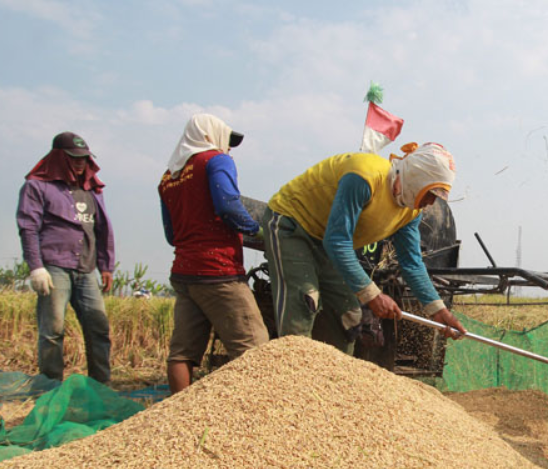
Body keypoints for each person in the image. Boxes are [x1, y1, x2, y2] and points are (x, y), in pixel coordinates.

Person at [261, 141, 466, 353]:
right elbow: (337, 241)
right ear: (417, 179)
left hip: (326, 242)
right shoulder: (365, 176)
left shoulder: (411, 211)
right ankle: (292, 377)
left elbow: (412, 263)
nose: (431, 203)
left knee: (349, 317)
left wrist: (438, 310)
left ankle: (334, 381)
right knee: (305, 302)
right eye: (431, 194)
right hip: (293, 225)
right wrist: (372, 295)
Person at [158, 114, 269, 393]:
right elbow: (229, 206)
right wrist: (258, 231)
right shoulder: (216, 161)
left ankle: (177, 413)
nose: (228, 148)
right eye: (226, 141)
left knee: (182, 352)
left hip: (184, 273)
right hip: (218, 271)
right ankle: (253, 413)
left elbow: (171, 235)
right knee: (255, 346)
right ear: (210, 136)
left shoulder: (169, 177)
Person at [17, 132, 114, 384]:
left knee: (98, 327)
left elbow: (102, 229)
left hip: (86, 268)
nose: (81, 163)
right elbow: (28, 227)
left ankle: (100, 384)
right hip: (54, 267)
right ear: (59, 158)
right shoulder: (37, 187)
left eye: (84, 159)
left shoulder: (91, 190)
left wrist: (106, 266)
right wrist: (36, 267)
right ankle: (50, 386)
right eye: (74, 158)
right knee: (53, 329)